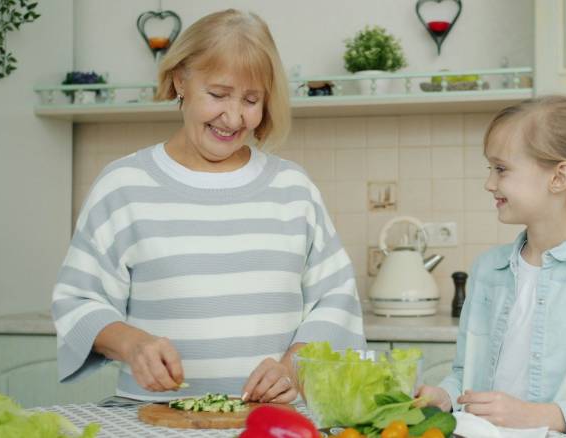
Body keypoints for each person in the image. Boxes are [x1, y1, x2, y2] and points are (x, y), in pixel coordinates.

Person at [51, 9, 365, 403]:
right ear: (181, 79)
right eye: (217, 94)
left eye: (251, 100)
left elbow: (336, 299)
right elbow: (78, 300)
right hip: (150, 419)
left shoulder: (293, 189)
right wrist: (133, 345)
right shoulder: (123, 186)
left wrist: (293, 368)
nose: (233, 117)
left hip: (270, 422)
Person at [417, 96, 566, 437]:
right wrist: (443, 395)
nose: (489, 183)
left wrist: (531, 415)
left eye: (500, 169)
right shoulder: (488, 270)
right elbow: (465, 375)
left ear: (559, 177)